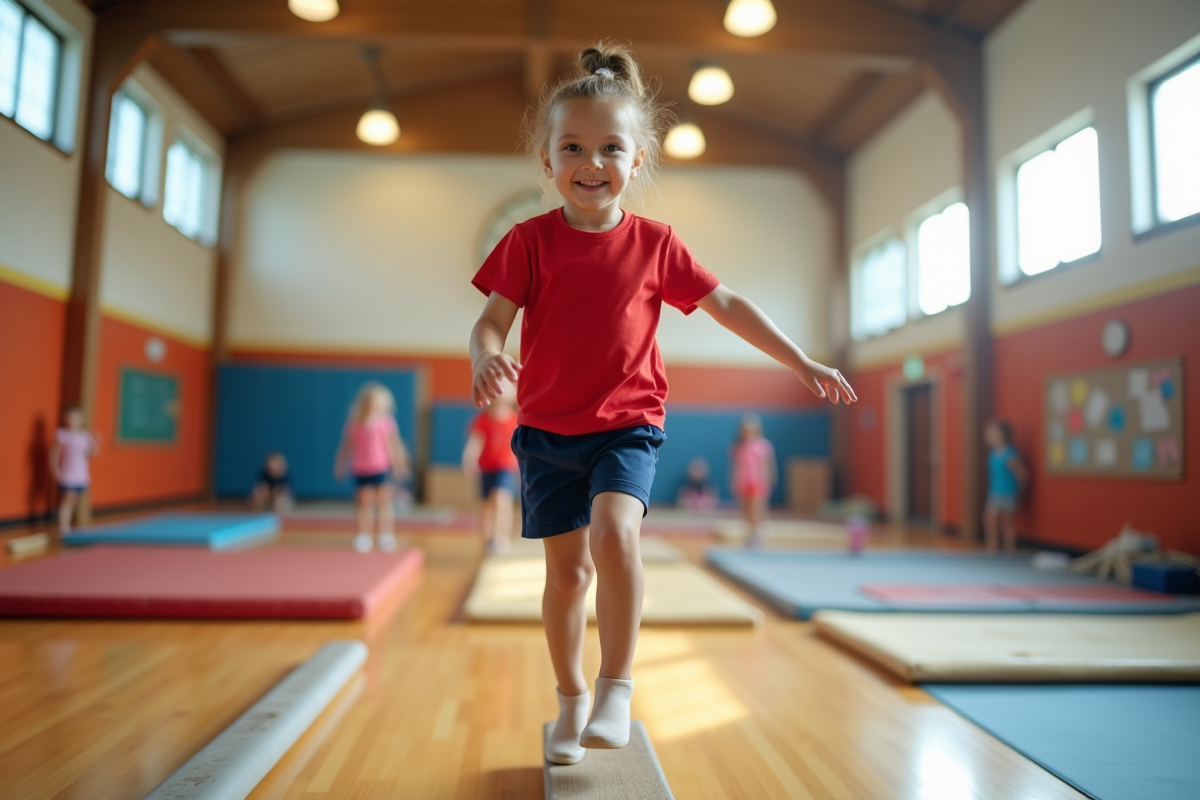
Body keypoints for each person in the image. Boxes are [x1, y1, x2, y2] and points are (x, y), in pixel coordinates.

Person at [468, 42, 856, 766]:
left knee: (616, 535)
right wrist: (487, 354)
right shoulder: (528, 242)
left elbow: (728, 303)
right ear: (547, 162)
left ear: (637, 160)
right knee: (567, 576)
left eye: (611, 147)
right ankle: (571, 699)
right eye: (573, 147)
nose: (592, 162)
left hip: (628, 423)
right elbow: (492, 321)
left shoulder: (655, 245)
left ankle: (617, 684)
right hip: (548, 429)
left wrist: (799, 359)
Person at [334, 383, 410, 553]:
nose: (373, 405)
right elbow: (347, 446)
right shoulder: (356, 422)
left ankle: (386, 534)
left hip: (381, 466)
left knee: (384, 502)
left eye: (377, 402)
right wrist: (340, 464)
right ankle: (364, 536)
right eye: (370, 402)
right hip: (361, 467)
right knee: (364, 502)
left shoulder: (386, 422)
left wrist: (399, 465)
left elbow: (393, 445)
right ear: (364, 402)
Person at [462, 387, 520, 555]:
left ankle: (502, 536)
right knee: (486, 504)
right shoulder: (482, 420)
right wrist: (469, 460)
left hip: (506, 467)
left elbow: (520, 443)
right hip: (487, 468)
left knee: (501, 498)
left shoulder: (514, 420)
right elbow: (475, 442)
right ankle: (488, 538)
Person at [48, 406, 100, 534]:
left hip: (81, 474)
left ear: (82, 419)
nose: (73, 420)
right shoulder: (62, 434)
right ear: (65, 419)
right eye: (70, 417)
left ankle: (79, 525)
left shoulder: (85, 435)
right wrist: (55, 469)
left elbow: (90, 454)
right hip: (67, 473)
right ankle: (63, 527)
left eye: (76, 417)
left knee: (76, 500)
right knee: (68, 499)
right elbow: (54, 453)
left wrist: (97, 443)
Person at [731, 415, 777, 549]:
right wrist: (734, 481)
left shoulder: (763, 445)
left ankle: (758, 534)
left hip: (758, 481)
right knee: (746, 509)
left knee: (757, 509)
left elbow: (768, 465)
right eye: (745, 430)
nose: (747, 433)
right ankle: (749, 533)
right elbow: (736, 466)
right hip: (744, 481)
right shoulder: (739, 447)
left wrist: (769, 479)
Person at [984, 418, 1026, 554]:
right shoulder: (993, 454)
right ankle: (993, 545)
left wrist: (1020, 490)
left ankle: (1009, 549)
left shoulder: (1009, 453)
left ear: (1002, 434)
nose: (989, 436)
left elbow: (1022, 473)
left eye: (993, 433)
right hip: (995, 492)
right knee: (990, 519)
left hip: (1008, 492)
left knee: (1007, 523)